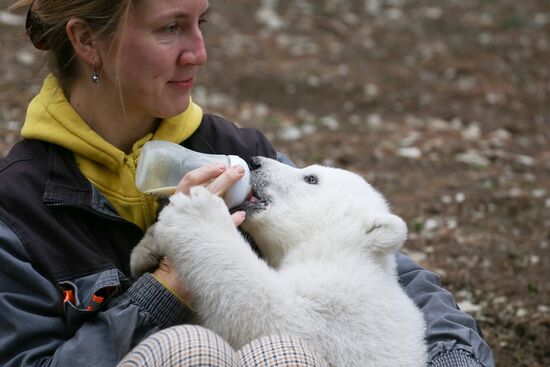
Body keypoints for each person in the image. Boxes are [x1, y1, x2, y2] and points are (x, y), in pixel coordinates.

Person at [0, 0, 494, 366]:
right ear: (86, 41)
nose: (199, 52)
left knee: (282, 354)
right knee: (189, 352)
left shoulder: (234, 151)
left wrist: (455, 359)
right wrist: (169, 286)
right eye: (171, 28)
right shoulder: (17, 211)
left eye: (201, 23)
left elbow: (389, 278)